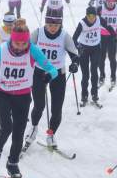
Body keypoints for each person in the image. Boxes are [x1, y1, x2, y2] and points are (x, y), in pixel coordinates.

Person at [0, 18, 58, 178]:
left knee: (19, 132)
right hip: (2, 93)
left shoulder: (33, 50)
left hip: (22, 95)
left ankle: (12, 163)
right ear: (11, 40)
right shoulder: (2, 50)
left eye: (24, 44)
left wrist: (49, 75)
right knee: (6, 127)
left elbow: (52, 68)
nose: (21, 47)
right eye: (17, 43)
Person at [25, 9, 79, 149]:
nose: (53, 28)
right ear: (45, 23)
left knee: (56, 109)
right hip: (39, 73)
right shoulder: (38, 33)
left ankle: (51, 133)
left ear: (60, 24)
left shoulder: (65, 36)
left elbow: (75, 55)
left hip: (58, 75)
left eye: (56, 25)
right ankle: (33, 128)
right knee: (39, 105)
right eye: (50, 25)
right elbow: (25, 48)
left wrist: (75, 64)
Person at [73, 6, 116, 105]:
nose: (92, 18)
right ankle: (84, 96)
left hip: (96, 49)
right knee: (85, 74)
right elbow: (74, 38)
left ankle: (94, 95)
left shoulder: (99, 20)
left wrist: (114, 36)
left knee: (94, 72)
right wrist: (78, 46)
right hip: (84, 50)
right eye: (89, 16)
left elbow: (108, 27)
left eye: (93, 16)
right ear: (86, 15)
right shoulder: (82, 23)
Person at [96, 0, 117, 88]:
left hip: (113, 37)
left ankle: (113, 77)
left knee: (112, 57)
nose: (111, 3)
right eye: (109, 1)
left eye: (112, 1)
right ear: (106, 1)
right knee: (101, 58)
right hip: (102, 36)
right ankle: (102, 76)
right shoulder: (101, 9)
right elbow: (93, 18)